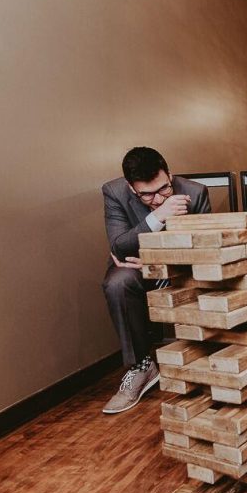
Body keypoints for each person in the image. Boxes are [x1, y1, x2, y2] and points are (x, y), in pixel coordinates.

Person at [101, 146, 211, 414]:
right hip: (136, 270)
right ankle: (141, 367)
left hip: (182, 270)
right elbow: (119, 245)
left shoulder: (196, 192)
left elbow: (207, 251)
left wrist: (162, 264)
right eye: (147, 194)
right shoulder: (113, 192)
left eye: (164, 189)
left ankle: (208, 368)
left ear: (169, 175)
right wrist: (157, 217)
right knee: (117, 282)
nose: (158, 198)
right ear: (131, 187)